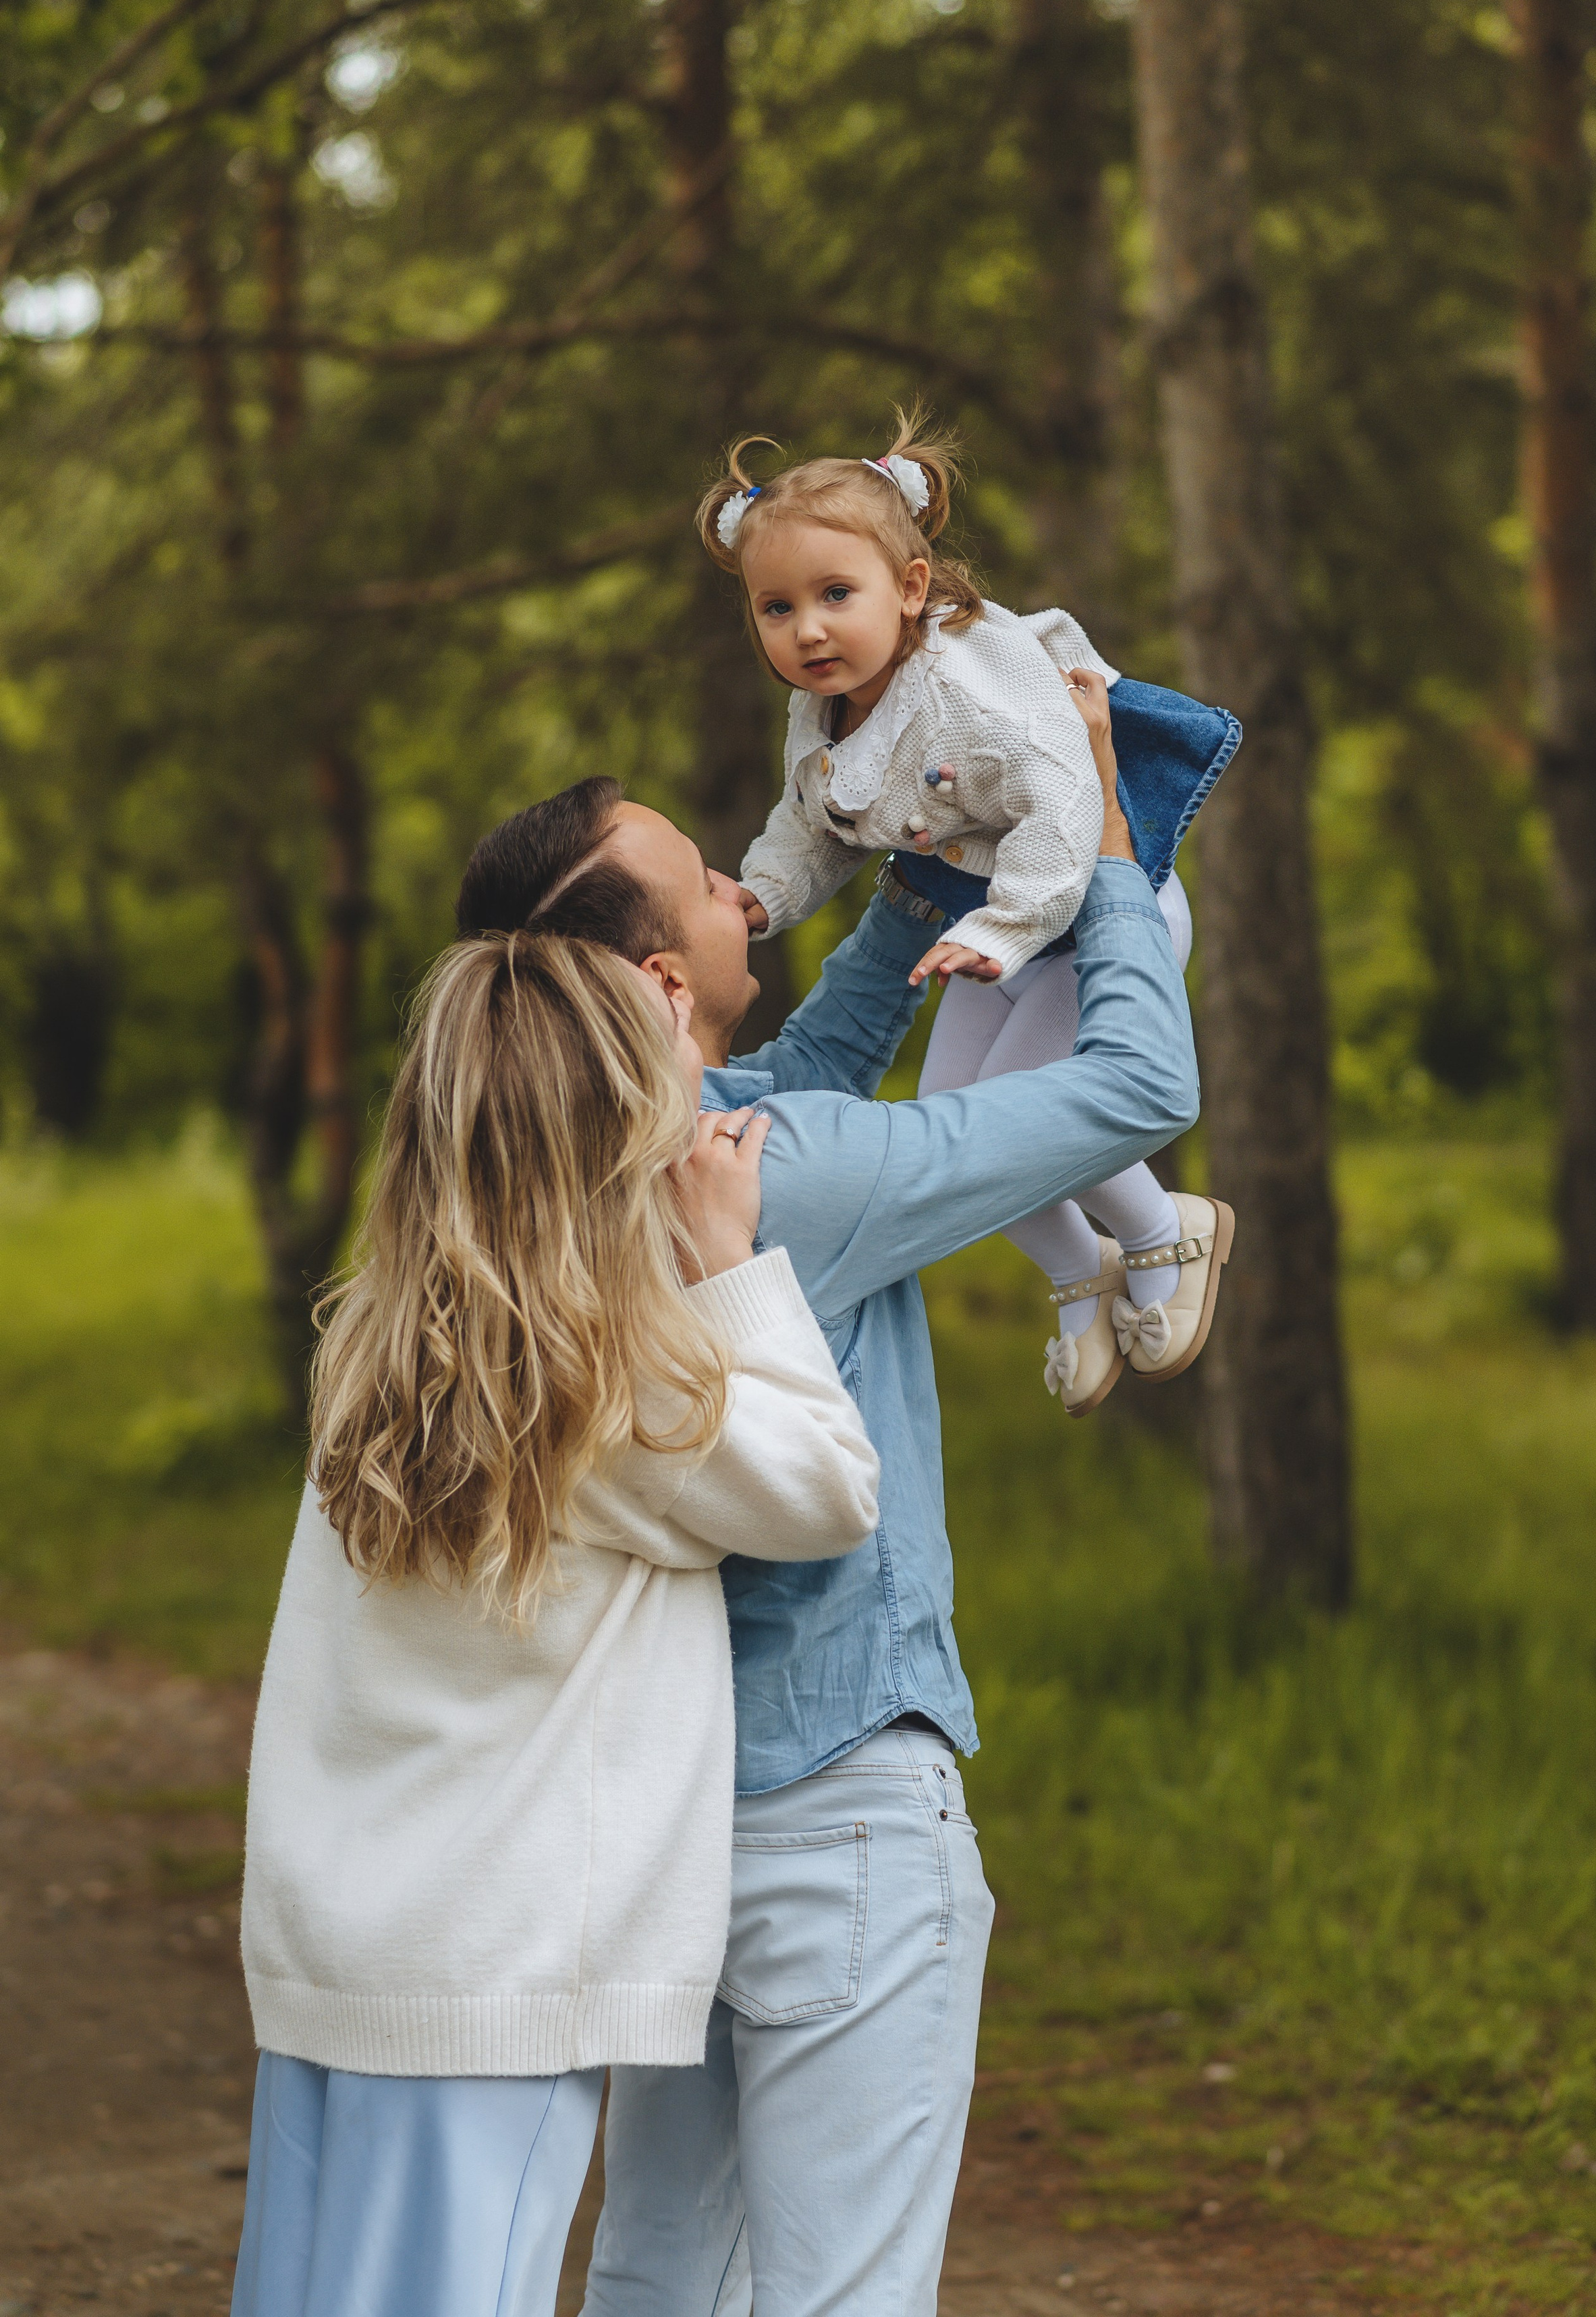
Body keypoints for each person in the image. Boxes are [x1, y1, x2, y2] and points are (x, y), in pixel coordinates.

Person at [451, 674, 1199, 2317]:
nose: (741, 877)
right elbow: (1136, 1094)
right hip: (843, 1829)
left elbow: (820, 1055)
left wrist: (929, 887)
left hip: (663, 1827)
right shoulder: (790, 1170)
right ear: (662, 981)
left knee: (656, 2273)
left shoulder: (546, 1184)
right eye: (702, 879)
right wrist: (1117, 854)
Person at [231, 929, 880, 2317]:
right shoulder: (611, 1382)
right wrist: (727, 1265)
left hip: (338, 1952)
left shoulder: (379, 1342)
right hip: (490, 1978)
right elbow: (831, 1484)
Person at [700, 409, 1238, 1417]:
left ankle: (1169, 1229)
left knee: (1029, 1113)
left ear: (909, 590)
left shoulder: (968, 684)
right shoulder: (823, 708)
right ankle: (1084, 1275)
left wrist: (1007, 926)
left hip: (1093, 916)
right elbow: (814, 822)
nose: (808, 629)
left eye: (834, 595)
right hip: (986, 936)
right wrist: (763, 897)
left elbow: (1069, 795)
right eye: (776, 609)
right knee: (959, 1126)